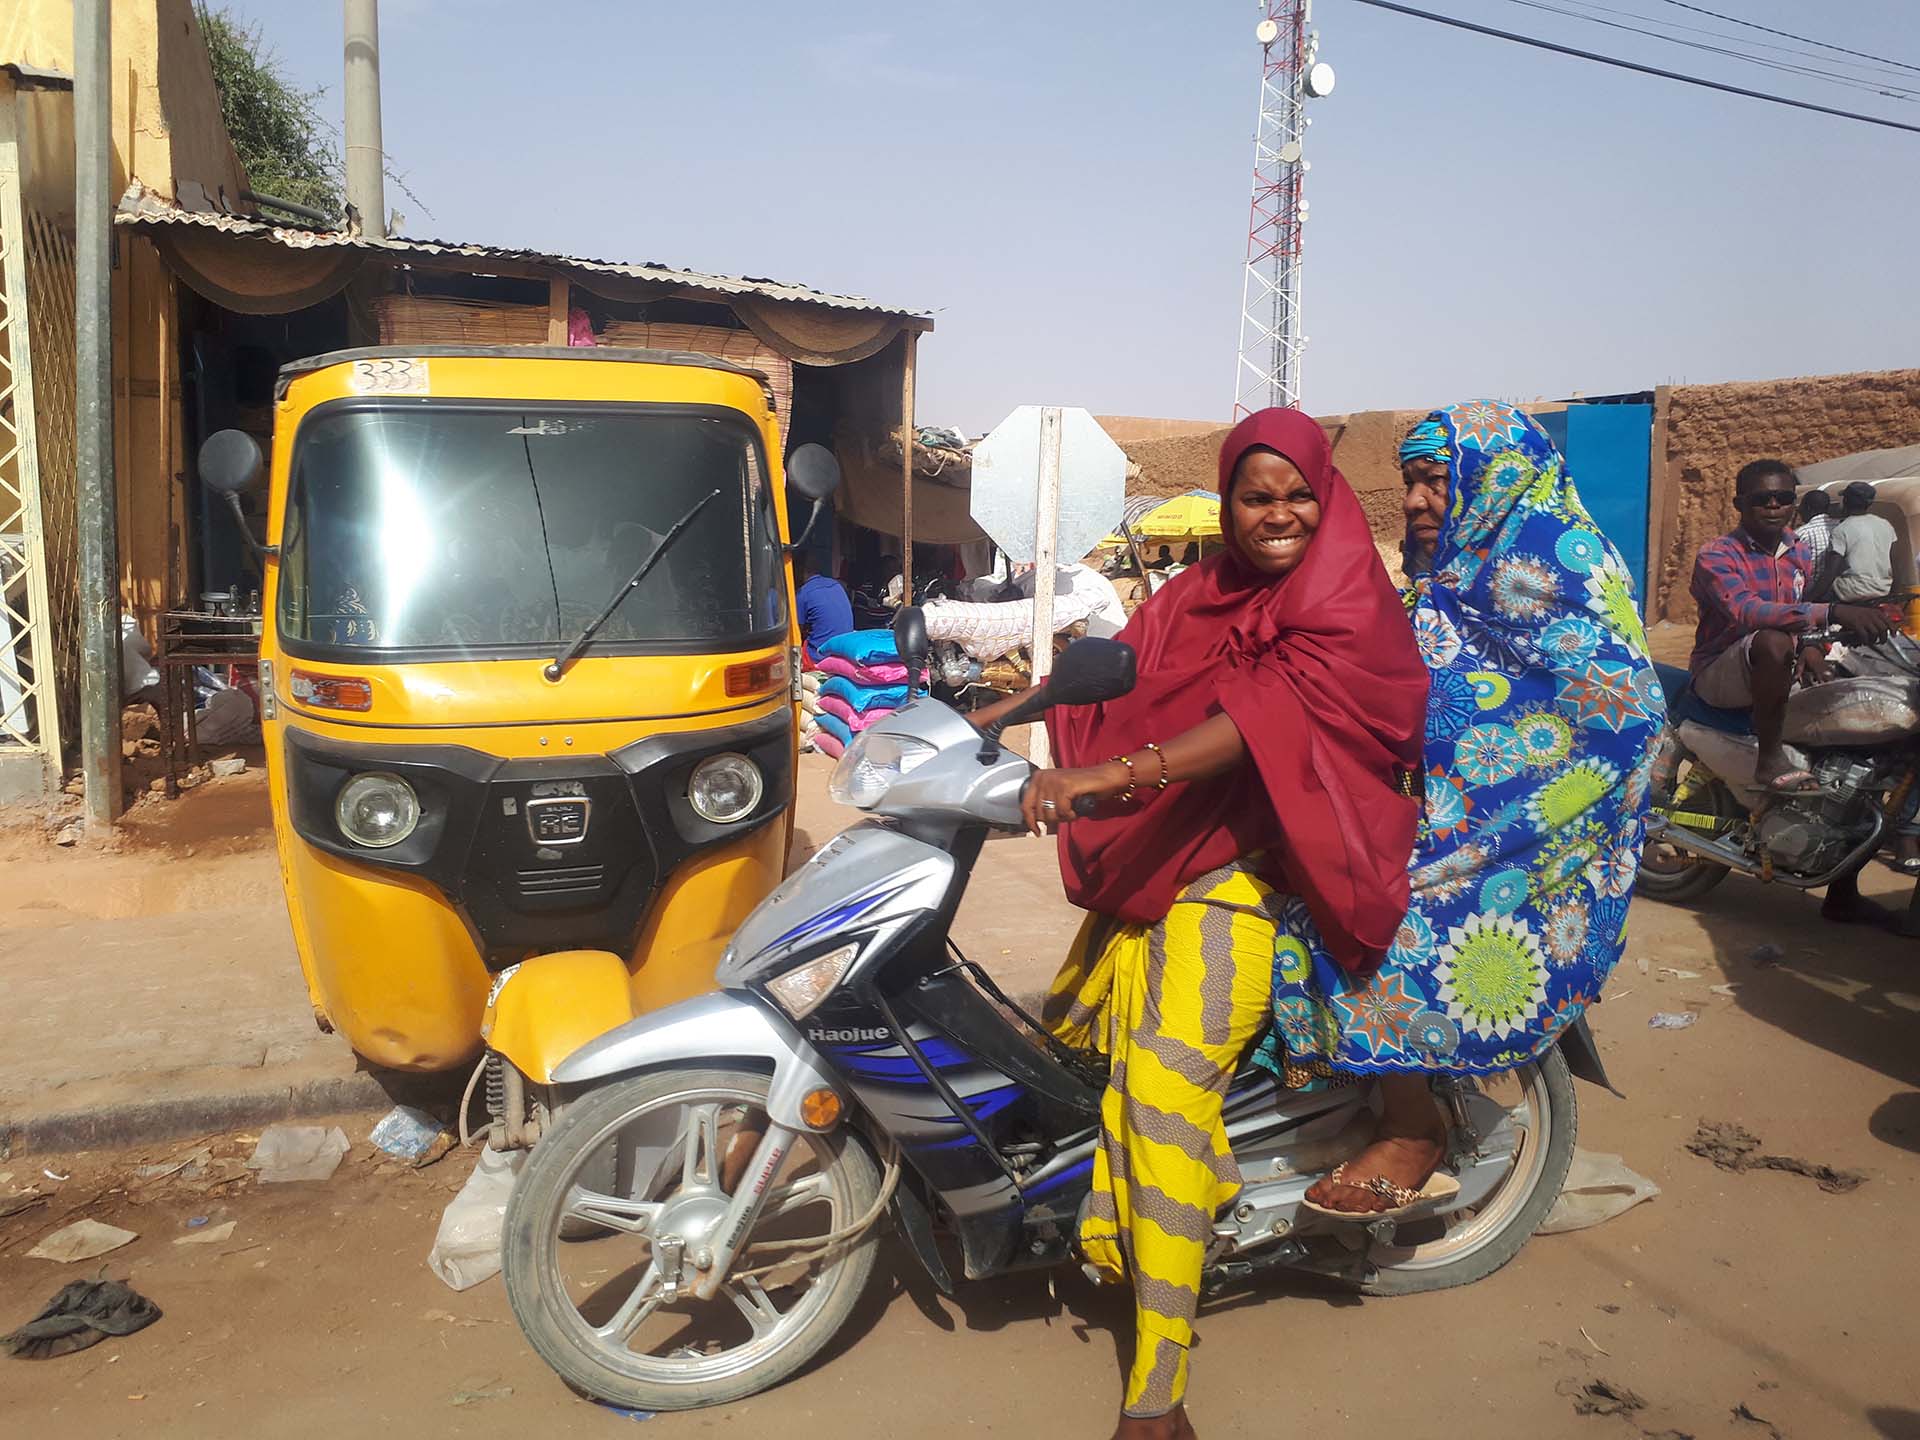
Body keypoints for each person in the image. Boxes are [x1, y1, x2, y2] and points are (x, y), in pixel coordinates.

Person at [975, 408, 1427, 1437]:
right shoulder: (1198, 590)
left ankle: (1159, 1388)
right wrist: (1007, 715)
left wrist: (1107, 775)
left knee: (1165, 1091)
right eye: (1255, 497)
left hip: (1264, 873)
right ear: (1227, 504)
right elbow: (1127, 667)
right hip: (1175, 850)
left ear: (1326, 494)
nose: (1277, 516)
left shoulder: (1344, 596)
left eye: (1296, 494)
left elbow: (1258, 723)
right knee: (1075, 1050)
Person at [1269, 401, 1664, 1217]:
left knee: (1374, 918)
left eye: (1435, 481)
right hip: (1417, 810)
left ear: (1495, 483)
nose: (1415, 499)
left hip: (1516, 830)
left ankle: (1414, 1128)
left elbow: (1621, 710)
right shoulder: (1445, 580)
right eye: (1408, 480)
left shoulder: (1550, 563)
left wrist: (1499, 807)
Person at [1689, 459, 1890, 792]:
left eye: (1783, 497)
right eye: (1761, 498)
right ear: (1739, 504)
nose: (1773, 505)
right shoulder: (1718, 554)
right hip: (1720, 672)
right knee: (1770, 641)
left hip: (1778, 666)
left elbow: (1793, 612)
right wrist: (1833, 612)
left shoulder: (1798, 550)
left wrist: (1810, 647)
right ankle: (1769, 759)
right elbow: (1747, 611)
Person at [1829, 480, 1898, 604]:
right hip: (1883, 589)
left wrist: (1811, 597)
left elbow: (1831, 569)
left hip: (1851, 591)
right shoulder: (1885, 524)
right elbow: (1893, 560)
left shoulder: (1842, 529)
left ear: (1846, 501)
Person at [792, 550, 852, 659]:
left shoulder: (803, 594)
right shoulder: (836, 585)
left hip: (820, 655)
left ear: (800, 569)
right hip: (844, 650)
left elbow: (796, 633)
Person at [1796, 489, 1836, 599]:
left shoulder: (1802, 533)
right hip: (1838, 590)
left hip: (1811, 590)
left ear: (1808, 508)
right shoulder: (1840, 527)